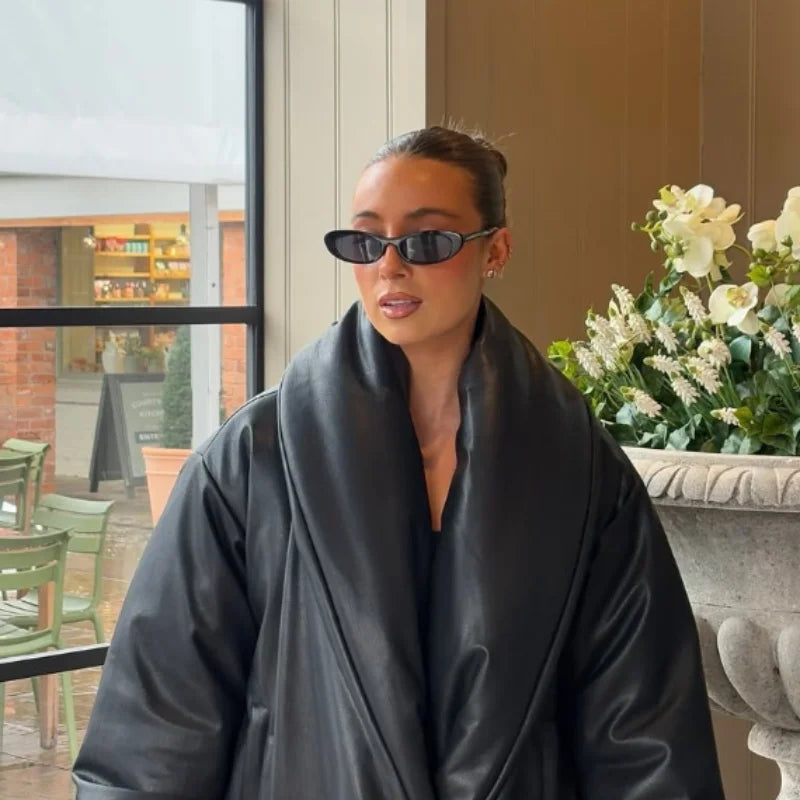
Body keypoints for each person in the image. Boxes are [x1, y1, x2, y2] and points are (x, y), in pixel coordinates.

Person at [73, 126, 725, 799]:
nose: (390, 266)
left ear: (495, 248)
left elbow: (647, 743)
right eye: (365, 241)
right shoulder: (252, 462)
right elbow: (153, 735)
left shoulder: (583, 473)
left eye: (426, 241)